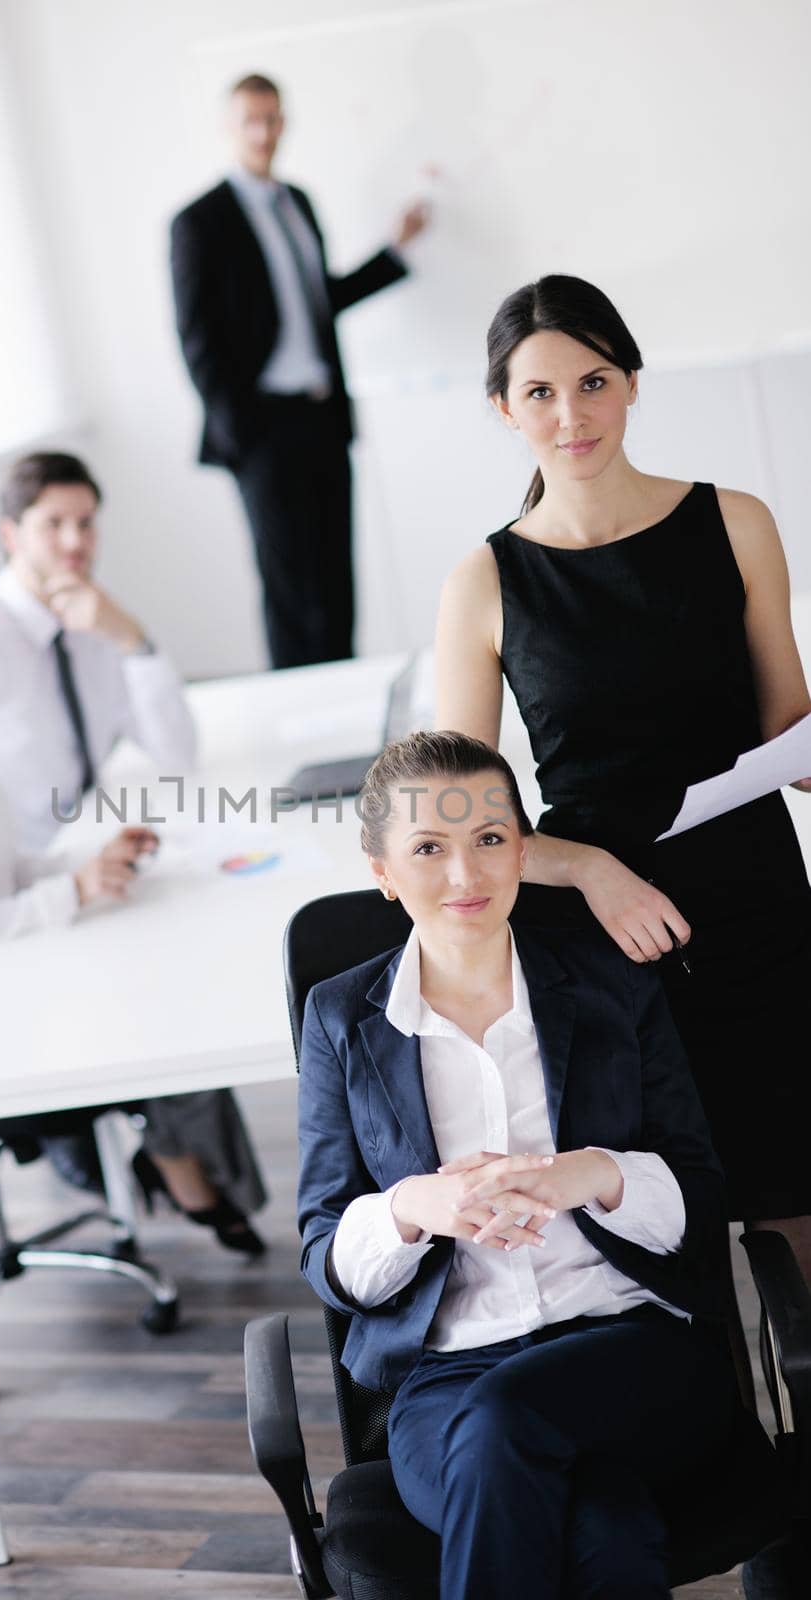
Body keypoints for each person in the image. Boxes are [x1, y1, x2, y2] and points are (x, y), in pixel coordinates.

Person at [298, 730, 741, 1600]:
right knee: (602, 1530)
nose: (464, 877)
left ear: (522, 851)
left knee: (505, 1426)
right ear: (382, 870)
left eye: (489, 841)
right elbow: (324, 1257)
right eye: (428, 849)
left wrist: (596, 1175)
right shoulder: (341, 1019)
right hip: (446, 1376)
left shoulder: (610, 985)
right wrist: (411, 1207)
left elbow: (699, 1195)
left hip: (632, 1345)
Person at [434, 274, 811, 1277]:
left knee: (795, 1198)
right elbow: (457, 814)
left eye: (592, 381)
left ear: (631, 384)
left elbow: (789, 729)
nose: (570, 415)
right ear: (502, 411)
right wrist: (593, 872)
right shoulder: (484, 580)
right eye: (540, 393)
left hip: (754, 899)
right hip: (597, 926)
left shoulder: (734, 522)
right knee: (653, 1220)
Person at [0, 577, 265, 1255]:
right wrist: (74, 893)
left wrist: (86, 863)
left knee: (157, 970)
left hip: (4, 966)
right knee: (145, 1012)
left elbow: (5, 867)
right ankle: (190, 1182)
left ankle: (191, 1177)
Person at [170, 72, 429, 669]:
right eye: (250, 120)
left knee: (337, 582)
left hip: (321, 417)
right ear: (227, 128)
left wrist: (395, 252)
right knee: (290, 590)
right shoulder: (201, 221)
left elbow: (316, 299)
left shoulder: (298, 202)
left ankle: (348, 717)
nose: (264, 132)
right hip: (262, 430)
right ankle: (306, 725)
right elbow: (197, 340)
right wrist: (242, 432)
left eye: (273, 118)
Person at [0, 451, 197, 853]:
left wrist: (132, 639)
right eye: (53, 524)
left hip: (98, 836)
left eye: (86, 523)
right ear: (11, 536)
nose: (75, 542)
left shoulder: (98, 621)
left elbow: (177, 753)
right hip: (26, 863)